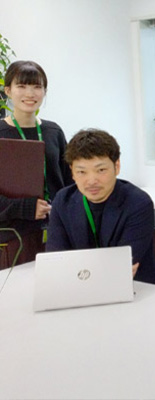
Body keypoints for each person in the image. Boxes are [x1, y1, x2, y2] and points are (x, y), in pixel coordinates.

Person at [46, 129, 155, 285]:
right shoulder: (63, 201)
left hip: (136, 286)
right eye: (81, 172)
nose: (91, 181)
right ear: (72, 173)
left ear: (117, 166)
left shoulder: (138, 203)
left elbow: (123, 265)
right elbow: (56, 258)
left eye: (101, 170)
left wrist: (75, 267)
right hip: (80, 285)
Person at [0, 60, 72, 268]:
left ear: (44, 92)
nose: (30, 94)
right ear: (8, 91)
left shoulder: (54, 132)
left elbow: (69, 183)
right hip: (14, 237)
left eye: (37, 87)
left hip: (56, 232)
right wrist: (26, 208)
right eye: (22, 86)